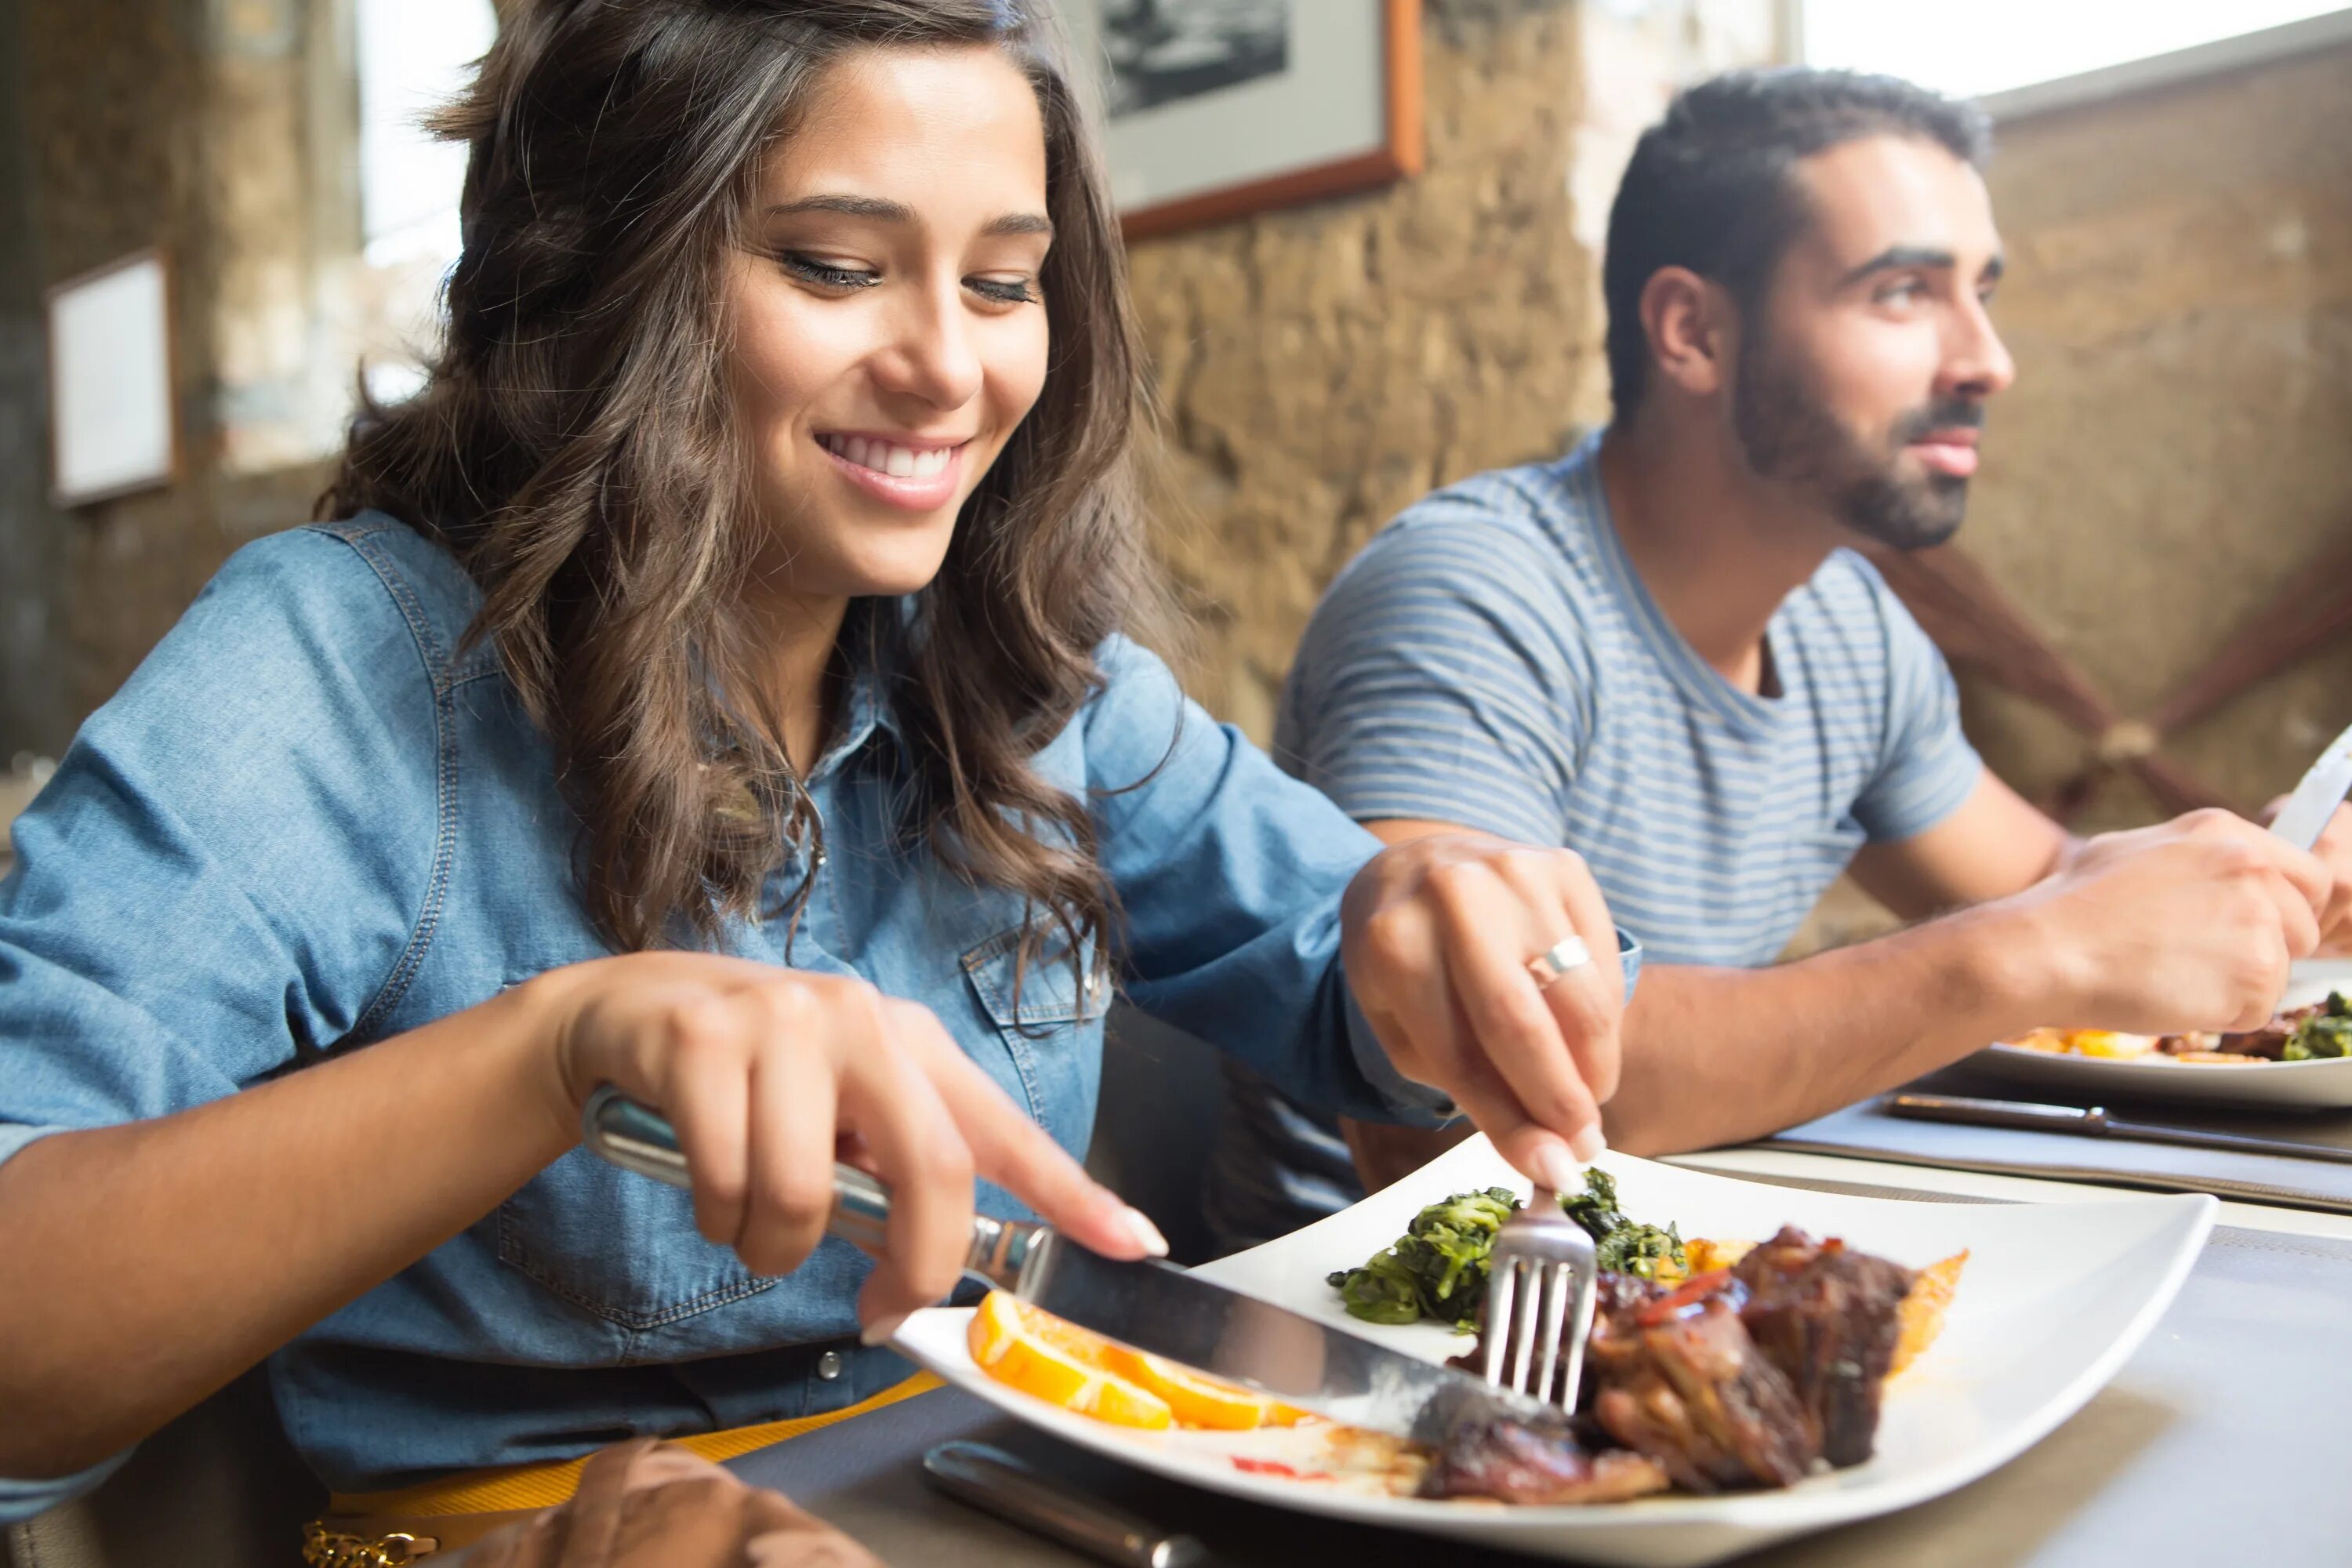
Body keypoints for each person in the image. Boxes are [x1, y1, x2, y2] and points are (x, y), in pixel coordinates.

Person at [0, 0, 1638, 1528]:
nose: (950, 365)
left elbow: (1347, 983)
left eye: (1005, 284)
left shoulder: (1021, 672)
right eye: (841, 267)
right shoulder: (331, 665)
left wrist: (1423, 927)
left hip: (1030, 1499)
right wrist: (556, 1048)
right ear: (610, 272)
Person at [1207, 67, 2347, 1250]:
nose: (1987, 360)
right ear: (1693, 331)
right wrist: (2045, 946)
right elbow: (1497, 1065)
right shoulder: (1473, 597)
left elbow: (2059, 889)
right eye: (1904, 293)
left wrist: (2272, 881)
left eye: (1983, 293)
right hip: (1355, 1329)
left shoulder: (1846, 624)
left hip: (1679, 1268)